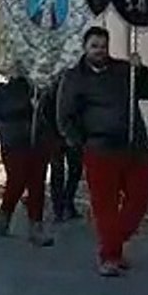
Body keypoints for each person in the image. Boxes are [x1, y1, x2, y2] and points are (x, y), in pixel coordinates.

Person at [57, 26, 148, 277]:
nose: (99, 51)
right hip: (99, 149)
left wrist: (141, 70)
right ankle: (110, 256)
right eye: (94, 46)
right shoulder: (74, 78)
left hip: (133, 144)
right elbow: (65, 115)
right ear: (85, 48)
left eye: (103, 46)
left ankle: (115, 239)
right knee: (105, 205)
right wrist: (80, 143)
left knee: (143, 190)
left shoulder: (123, 70)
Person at [0, 66, 57, 247]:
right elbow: (3, 112)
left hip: (39, 141)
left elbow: (53, 112)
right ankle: (5, 212)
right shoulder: (3, 90)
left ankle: (36, 226)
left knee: (37, 184)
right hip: (14, 142)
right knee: (17, 181)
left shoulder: (43, 90)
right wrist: (29, 104)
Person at [48, 65, 84, 222]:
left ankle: (65, 203)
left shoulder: (76, 91)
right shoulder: (51, 92)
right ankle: (61, 206)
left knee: (73, 170)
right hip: (57, 136)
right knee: (60, 172)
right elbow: (45, 114)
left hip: (70, 135)